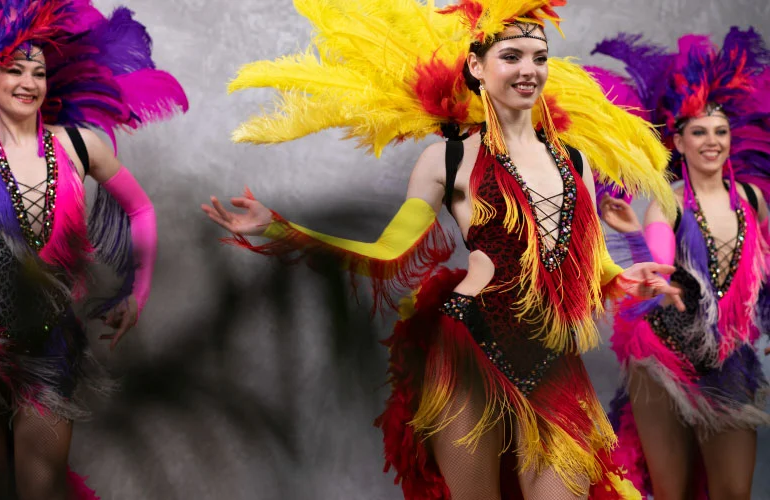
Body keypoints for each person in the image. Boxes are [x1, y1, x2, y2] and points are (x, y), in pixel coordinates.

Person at [204, 0, 682, 497]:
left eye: (539, 58)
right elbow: (389, 251)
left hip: (551, 353)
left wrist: (624, 279)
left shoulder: (575, 161)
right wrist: (281, 229)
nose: (529, 70)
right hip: (470, 347)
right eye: (512, 56)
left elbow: (584, 258)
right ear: (476, 66)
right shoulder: (447, 159)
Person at [0, 1, 188, 498]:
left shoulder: (78, 146)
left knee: (40, 483)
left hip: (51, 340)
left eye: (38, 72)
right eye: (14, 70)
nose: (28, 82)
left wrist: (140, 291)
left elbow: (140, 210)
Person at [591, 28, 770, 500]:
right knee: (674, 492)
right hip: (663, 357)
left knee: (734, 491)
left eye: (720, 131)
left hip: (729, 361)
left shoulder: (753, 200)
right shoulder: (667, 203)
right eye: (699, 132)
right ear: (680, 141)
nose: (712, 142)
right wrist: (637, 240)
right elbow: (659, 259)